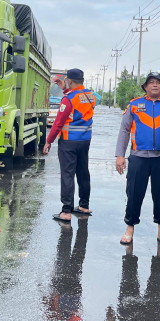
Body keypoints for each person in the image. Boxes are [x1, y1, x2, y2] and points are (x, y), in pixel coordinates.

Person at [115, 72, 160, 246]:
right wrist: (120, 156)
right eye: (151, 82)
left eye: (158, 83)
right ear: (145, 87)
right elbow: (124, 131)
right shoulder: (134, 105)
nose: (155, 85)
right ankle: (129, 228)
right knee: (134, 194)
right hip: (138, 157)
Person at [43, 68, 97, 222]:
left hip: (68, 142)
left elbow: (58, 123)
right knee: (83, 172)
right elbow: (79, 101)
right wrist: (66, 89)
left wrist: (48, 141)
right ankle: (84, 206)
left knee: (67, 174)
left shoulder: (68, 99)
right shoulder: (91, 96)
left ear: (70, 81)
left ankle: (66, 211)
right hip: (85, 141)